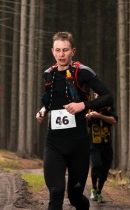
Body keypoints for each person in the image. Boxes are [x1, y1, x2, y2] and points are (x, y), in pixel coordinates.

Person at [35, 32, 114, 210]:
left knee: (75, 197)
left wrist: (83, 105)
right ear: (52, 52)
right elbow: (51, 100)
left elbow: (108, 97)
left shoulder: (83, 73)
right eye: (58, 50)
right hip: (54, 144)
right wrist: (42, 110)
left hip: (78, 145)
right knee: (55, 192)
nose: (61, 54)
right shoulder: (49, 74)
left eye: (65, 50)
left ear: (73, 51)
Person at [85, 97, 117, 203]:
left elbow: (113, 120)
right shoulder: (90, 106)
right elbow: (84, 119)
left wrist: (99, 116)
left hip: (107, 145)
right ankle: (93, 188)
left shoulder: (109, 108)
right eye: (96, 95)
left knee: (104, 169)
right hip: (94, 144)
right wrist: (88, 117)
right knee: (96, 165)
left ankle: (99, 192)